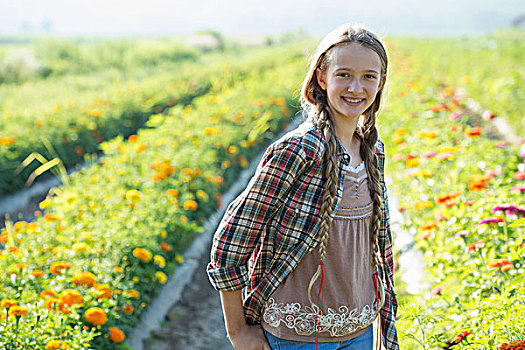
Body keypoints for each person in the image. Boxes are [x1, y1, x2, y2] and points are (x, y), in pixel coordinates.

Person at [207, 23, 399, 350]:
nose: (356, 87)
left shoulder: (370, 149)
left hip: (361, 330)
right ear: (322, 79)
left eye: (369, 76)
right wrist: (238, 331)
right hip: (298, 336)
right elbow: (230, 242)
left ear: (381, 83)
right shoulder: (298, 152)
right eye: (344, 75)